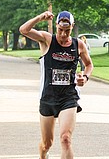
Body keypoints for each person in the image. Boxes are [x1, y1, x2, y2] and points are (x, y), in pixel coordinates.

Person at [19, 10, 93, 159]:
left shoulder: (78, 45)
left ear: (72, 27)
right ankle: (43, 155)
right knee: (47, 143)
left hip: (68, 98)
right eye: (60, 30)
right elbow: (23, 30)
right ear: (56, 27)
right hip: (48, 97)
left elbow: (89, 65)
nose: (64, 34)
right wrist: (40, 17)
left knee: (66, 139)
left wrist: (85, 77)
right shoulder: (47, 40)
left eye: (67, 31)